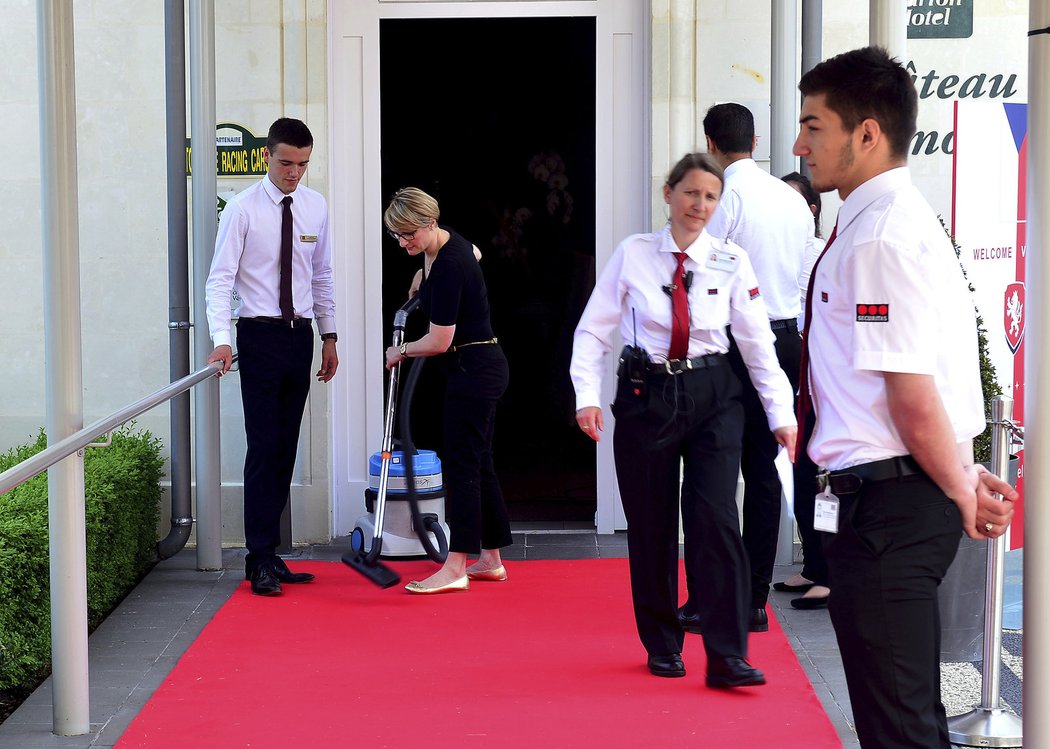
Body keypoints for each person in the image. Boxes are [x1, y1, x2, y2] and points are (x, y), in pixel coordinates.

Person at [793, 46, 1017, 748]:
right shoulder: (883, 222)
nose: (799, 145)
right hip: (892, 498)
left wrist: (955, 487)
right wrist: (956, 474)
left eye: (814, 126)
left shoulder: (880, 237)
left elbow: (911, 392)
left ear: (866, 133)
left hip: (889, 508)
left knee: (899, 725)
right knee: (906, 713)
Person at [570, 153, 796, 688]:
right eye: (691, 193)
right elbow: (594, 329)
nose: (700, 205)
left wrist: (780, 412)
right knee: (650, 524)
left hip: (715, 393)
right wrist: (587, 395)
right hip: (647, 391)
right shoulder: (634, 254)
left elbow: (757, 342)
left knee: (716, 520)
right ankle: (663, 641)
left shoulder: (732, 259)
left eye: (711, 196)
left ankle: (726, 653)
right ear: (669, 193)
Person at [685, 103, 814, 633]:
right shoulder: (792, 199)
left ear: (711, 143)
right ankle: (755, 598)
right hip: (786, 339)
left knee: (711, 473)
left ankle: (712, 596)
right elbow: (807, 278)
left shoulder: (724, 197)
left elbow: (704, 276)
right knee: (763, 474)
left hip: (736, 342)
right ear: (756, 142)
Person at [205, 117, 339, 596]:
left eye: (302, 164)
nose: (294, 172)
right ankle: (257, 556)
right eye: (286, 162)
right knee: (263, 447)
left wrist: (329, 335)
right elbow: (220, 279)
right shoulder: (242, 209)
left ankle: (272, 555)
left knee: (286, 445)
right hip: (258, 335)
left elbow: (320, 276)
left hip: (299, 335)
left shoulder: (316, 206)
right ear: (266, 156)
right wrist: (222, 337)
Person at [383, 187, 513, 594]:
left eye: (409, 235)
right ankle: (490, 559)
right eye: (397, 236)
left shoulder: (451, 261)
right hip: (478, 366)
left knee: (461, 465)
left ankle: (455, 565)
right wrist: (424, 275)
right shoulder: (448, 245)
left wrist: (399, 350)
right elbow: (475, 251)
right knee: (480, 461)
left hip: (473, 368)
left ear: (430, 224)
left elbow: (438, 341)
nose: (404, 243)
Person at [774, 171, 830, 610]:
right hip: (795, 362)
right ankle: (813, 564)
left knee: (817, 467)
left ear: (811, 209)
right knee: (798, 465)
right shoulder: (782, 251)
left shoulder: (818, 252)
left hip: (815, 368)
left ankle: (827, 572)